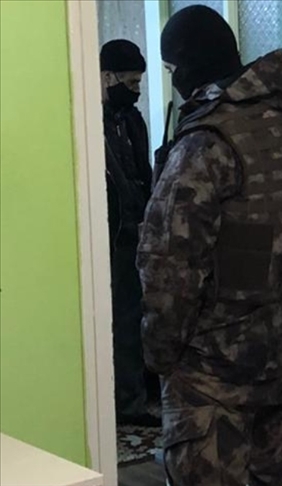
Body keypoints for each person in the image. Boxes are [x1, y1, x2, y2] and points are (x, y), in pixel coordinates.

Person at [137, 5, 282, 486]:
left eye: (170, 70)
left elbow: (167, 273)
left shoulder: (204, 145)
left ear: (186, 66)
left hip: (211, 390)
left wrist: (161, 360)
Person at [100, 39, 159, 427]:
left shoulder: (131, 119)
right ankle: (127, 402)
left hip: (138, 229)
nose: (136, 90)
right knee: (122, 319)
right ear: (107, 77)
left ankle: (139, 393)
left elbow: (141, 171)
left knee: (138, 314)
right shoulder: (92, 123)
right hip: (113, 234)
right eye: (131, 82)